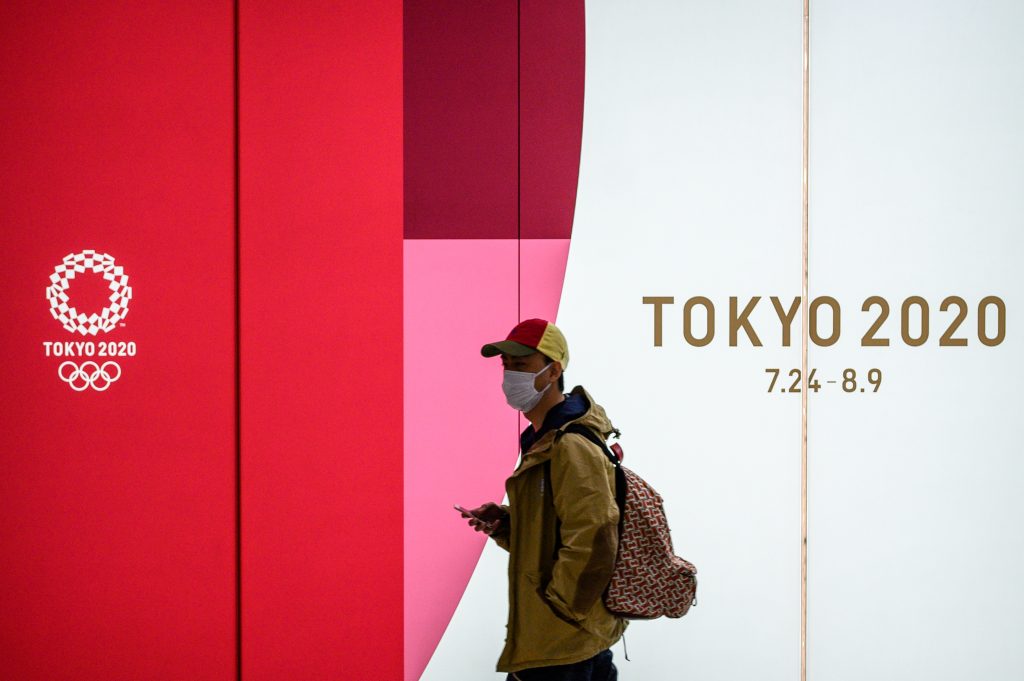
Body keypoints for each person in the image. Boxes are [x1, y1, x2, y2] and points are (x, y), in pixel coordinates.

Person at [461, 318, 627, 680]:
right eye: (506, 365)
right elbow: (555, 532)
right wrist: (508, 524)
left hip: (562, 648)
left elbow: (596, 535)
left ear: (553, 372)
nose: (509, 375)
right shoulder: (541, 440)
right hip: (556, 643)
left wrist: (560, 609)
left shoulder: (569, 444)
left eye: (521, 365)